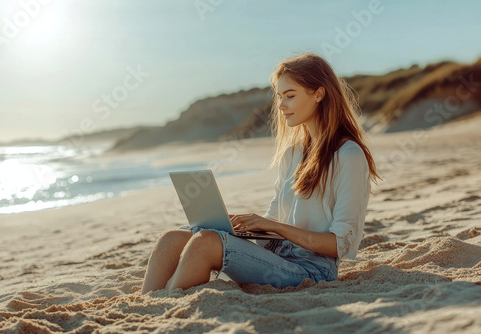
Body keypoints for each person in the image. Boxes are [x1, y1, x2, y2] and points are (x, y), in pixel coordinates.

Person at [140, 52, 381, 294]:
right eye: (279, 97)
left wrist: (276, 227)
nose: (281, 105)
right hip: (273, 253)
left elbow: (341, 244)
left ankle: (174, 309)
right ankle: (149, 310)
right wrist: (238, 226)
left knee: (205, 244)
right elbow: (273, 218)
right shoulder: (293, 154)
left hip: (312, 269)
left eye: (290, 96)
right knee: (172, 239)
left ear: (319, 94)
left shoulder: (348, 155)